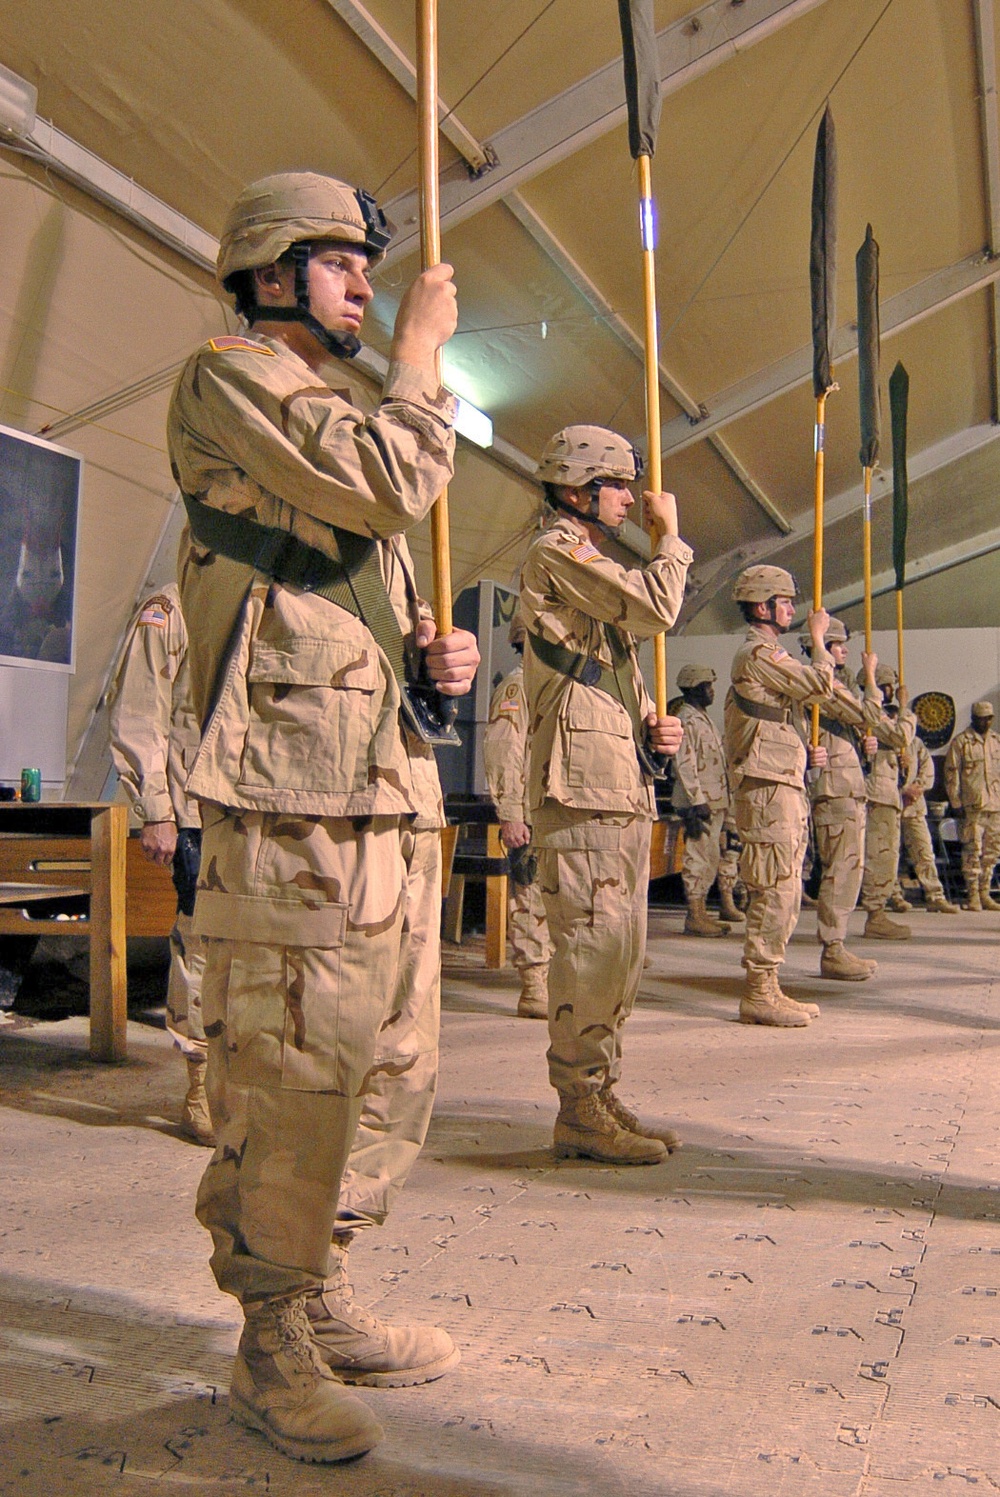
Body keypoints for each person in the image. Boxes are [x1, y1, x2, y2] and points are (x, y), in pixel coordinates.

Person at [167, 171, 479, 1465]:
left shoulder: (341, 411)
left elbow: (347, 569)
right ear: (271, 270)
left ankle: (328, 1283)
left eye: (367, 267)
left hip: (380, 777)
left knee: (387, 1057)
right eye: (342, 262)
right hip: (291, 783)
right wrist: (419, 360)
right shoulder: (228, 379)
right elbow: (384, 483)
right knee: (295, 1066)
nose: (365, 283)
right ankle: (270, 1334)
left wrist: (429, 655)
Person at [519, 424, 691, 1165]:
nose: (631, 496)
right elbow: (656, 608)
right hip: (578, 785)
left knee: (620, 951)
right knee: (590, 948)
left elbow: (614, 666)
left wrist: (654, 727)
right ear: (574, 489)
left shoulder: (591, 564)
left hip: (613, 778)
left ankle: (601, 1086)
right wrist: (672, 539)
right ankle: (578, 1105)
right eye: (617, 483)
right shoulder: (557, 550)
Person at [108, 582, 212, 1144]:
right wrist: (155, 810)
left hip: (263, 811)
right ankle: (201, 1083)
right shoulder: (172, 606)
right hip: (197, 809)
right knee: (201, 947)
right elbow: (140, 709)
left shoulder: (270, 596)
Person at [724, 566, 836, 1026]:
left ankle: (769, 984)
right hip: (768, 791)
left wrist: (801, 753)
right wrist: (819, 641)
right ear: (762, 606)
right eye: (784, 601)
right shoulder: (758, 653)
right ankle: (758, 990)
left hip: (779, 783)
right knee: (774, 887)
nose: (792, 608)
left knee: (785, 886)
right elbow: (820, 686)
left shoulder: (767, 654)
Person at [796, 618, 897, 980]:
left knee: (848, 869)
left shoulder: (831, 685)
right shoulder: (822, 684)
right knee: (841, 870)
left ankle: (836, 944)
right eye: (837, 644)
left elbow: (856, 727)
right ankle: (832, 948)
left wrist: (864, 746)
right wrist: (870, 677)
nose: (845, 651)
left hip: (848, 785)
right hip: (835, 789)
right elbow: (869, 713)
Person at [482, 612, 552, 1018]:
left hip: (550, 810)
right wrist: (510, 814)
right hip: (526, 812)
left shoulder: (550, 687)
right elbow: (503, 751)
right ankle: (533, 986)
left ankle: (551, 978)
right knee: (530, 900)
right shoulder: (517, 685)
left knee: (551, 899)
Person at [671, 664, 743, 936]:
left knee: (712, 856)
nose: (712, 691)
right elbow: (684, 763)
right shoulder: (687, 720)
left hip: (715, 800)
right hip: (699, 804)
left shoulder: (703, 719)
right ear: (694, 688)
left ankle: (704, 911)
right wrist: (696, 799)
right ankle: (695, 915)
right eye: (707, 686)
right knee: (699, 857)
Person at [859, 665, 917, 938]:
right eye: (890, 686)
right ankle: (875, 914)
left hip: (886, 792)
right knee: (880, 855)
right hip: (877, 794)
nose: (894, 691)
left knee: (888, 855)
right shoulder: (871, 714)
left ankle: (878, 909)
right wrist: (905, 708)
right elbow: (901, 735)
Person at [890, 733, 959, 913]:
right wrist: (903, 789)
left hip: (914, 805)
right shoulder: (883, 741)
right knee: (890, 854)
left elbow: (928, 769)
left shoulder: (916, 743)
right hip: (890, 805)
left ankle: (935, 895)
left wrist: (917, 787)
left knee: (924, 852)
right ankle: (894, 895)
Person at [944, 701, 1000, 910]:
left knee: (992, 852)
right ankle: (973, 895)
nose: (984, 722)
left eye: (988, 718)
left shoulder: (996, 741)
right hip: (972, 805)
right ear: (973, 718)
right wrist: (955, 802)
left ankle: (985, 892)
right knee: (972, 851)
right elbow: (951, 773)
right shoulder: (961, 742)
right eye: (980, 718)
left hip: (995, 805)